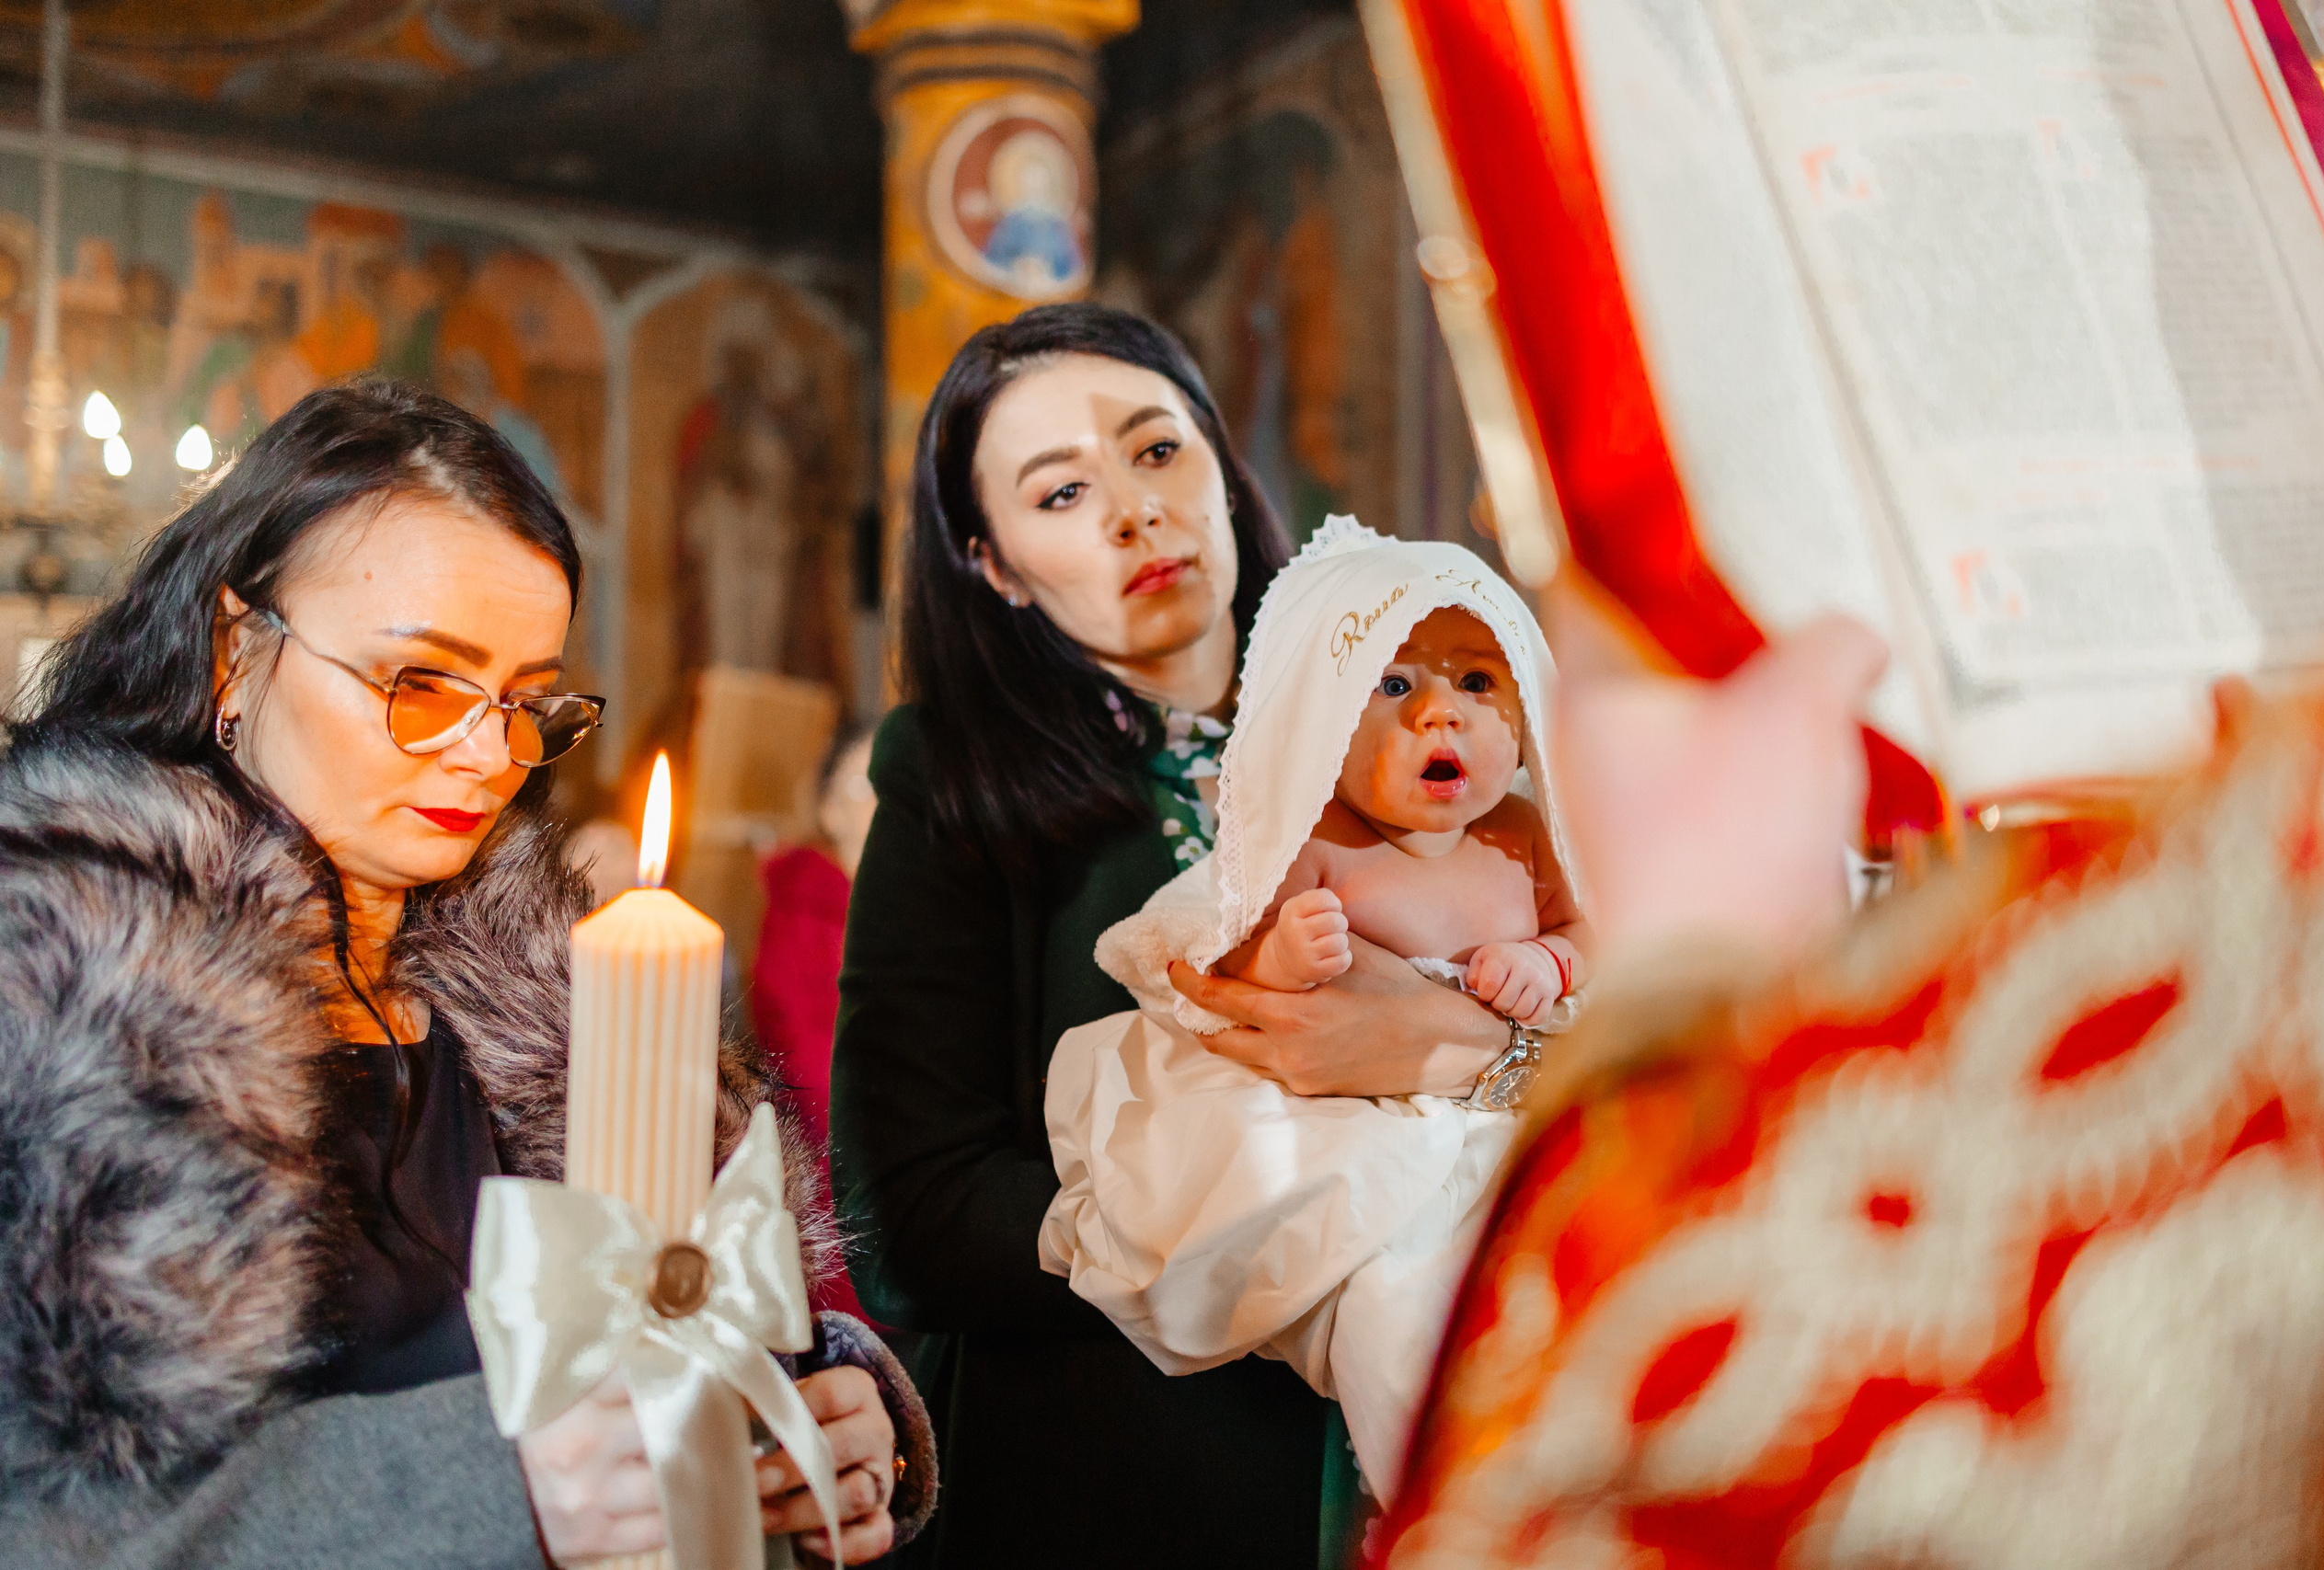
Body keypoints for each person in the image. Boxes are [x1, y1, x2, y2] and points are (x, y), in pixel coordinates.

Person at [0, 382, 933, 1568]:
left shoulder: (556, 999)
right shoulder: (50, 1005)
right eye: (422, 685)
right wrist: (499, 1489)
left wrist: (812, 1409)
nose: (489, 758)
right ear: (238, 652)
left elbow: (683, 1325)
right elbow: (42, 1524)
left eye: (526, 701)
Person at [832, 303, 1528, 1568]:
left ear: (1219, 458)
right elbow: (910, 1210)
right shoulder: (953, 779)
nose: (1133, 514)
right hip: (1139, 1477)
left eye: (1158, 451)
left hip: (1477, 1411)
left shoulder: (1439, 701)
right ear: (992, 561)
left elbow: (1610, 1001)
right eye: (1060, 493)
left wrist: (1449, 1042)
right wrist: (1222, 1228)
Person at [1041, 522, 1595, 1502]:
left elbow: (1594, 936)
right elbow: (1229, 955)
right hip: (1357, 1129)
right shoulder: (1315, 842)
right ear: (1319, 719)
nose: (1441, 719)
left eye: (1476, 683)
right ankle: (1439, 1509)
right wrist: (1288, 948)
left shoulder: (1522, 836)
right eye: (1393, 687)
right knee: (1394, 1309)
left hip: (1498, 1118)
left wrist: (1547, 960)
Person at [751, 725, 880, 1325]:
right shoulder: (801, 907)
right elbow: (808, 1064)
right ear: (828, 806)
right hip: (847, 1181)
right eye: (862, 782)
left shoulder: (928, 907)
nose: (881, 796)